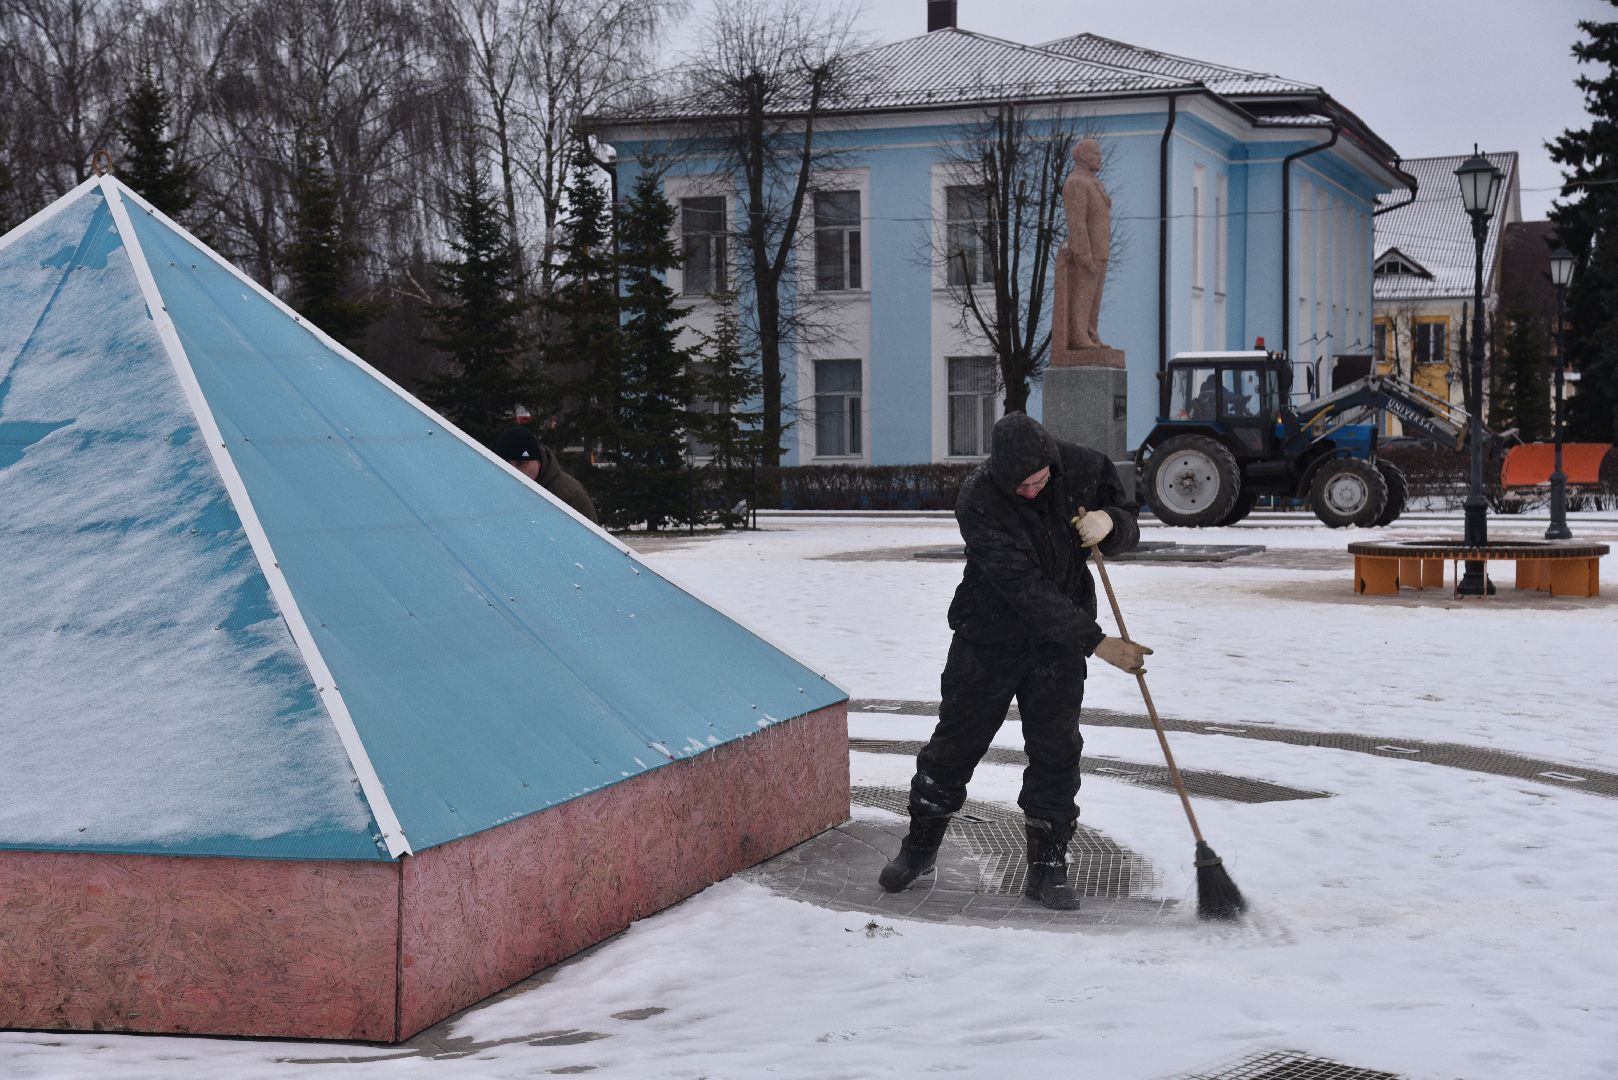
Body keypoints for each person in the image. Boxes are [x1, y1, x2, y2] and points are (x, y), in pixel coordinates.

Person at [878, 412, 1150, 910]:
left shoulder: (1084, 467)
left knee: (1056, 749)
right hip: (989, 635)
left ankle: (1047, 868)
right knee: (955, 744)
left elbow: (1129, 518)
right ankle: (919, 848)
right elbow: (1025, 590)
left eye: (1038, 481)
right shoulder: (978, 499)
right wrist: (1097, 642)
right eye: (1020, 486)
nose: (1030, 491)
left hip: (1057, 646)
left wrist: (1111, 523)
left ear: (1051, 462)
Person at [493, 425, 599, 524]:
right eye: (505, 465)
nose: (514, 472)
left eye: (521, 464)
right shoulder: (492, 492)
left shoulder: (570, 496)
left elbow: (591, 541)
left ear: (538, 463)